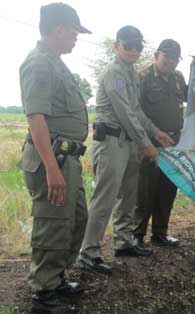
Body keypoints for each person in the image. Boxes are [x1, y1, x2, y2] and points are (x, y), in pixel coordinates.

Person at [78, 26, 174, 273]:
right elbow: (125, 113)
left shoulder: (131, 73)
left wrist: (156, 132)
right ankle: (88, 252)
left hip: (129, 143)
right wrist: (147, 144)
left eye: (138, 46)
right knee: (105, 198)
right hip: (111, 143)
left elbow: (137, 111)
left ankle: (123, 242)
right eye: (128, 45)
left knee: (128, 196)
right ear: (117, 46)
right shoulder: (113, 73)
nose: (134, 50)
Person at [18, 3, 91, 313]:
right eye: (75, 32)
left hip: (66, 158)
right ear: (60, 29)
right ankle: (43, 295)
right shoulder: (38, 63)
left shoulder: (56, 62)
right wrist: (51, 167)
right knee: (52, 224)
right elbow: (36, 118)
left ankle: (57, 277)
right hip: (52, 159)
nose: (77, 38)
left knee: (75, 220)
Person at [133, 39, 187, 247]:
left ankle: (160, 233)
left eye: (175, 58)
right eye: (167, 57)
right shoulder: (142, 78)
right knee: (145, 190)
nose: (171, 62)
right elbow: (134, 112)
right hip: (150, 142)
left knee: (168, 188)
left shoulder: (178, 78)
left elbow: (189, 98)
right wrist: (148, 139)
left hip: (174, 142)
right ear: (157, 56)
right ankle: (136, 235)